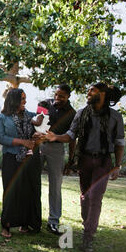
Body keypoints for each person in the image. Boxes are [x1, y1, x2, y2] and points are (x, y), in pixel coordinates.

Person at [45, 83, 124, 252]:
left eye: (92, 90)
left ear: (103, 94)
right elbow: (71, 135)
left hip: (103, 162)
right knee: (86, 198)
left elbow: (119, 143)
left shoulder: (115, 117)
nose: (88, 93)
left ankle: (88, 237)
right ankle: (86, 224)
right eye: (88, 90)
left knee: (95, 198)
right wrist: (55, 137)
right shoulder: (81, 113)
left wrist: (117, 165)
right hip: (85, 160)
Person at [0, 88, 43, 238]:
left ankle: (26, 223)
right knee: (11, 192)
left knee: (28, 191)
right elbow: (1, 138)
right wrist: (23, 142)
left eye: (25, 98)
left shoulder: (30, 115)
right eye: (22, 99)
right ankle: (6, 226)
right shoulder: (2, 117)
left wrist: (39, 126)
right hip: (11, 158)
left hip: (29, 159)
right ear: (14, 100)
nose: (25, 101)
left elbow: (43, 120)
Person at [37, 85, 76, 235]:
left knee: (55, 186)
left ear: (68, 97)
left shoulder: (72, 113)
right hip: (39, 146)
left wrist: (71, 160)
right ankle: (31, 216)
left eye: (62, 97)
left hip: (57, 149)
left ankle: (53, 221)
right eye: (56, 95)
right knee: (33, 181)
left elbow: (72, 138)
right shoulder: (45, 104)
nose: (57, 99)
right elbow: (36, 125)